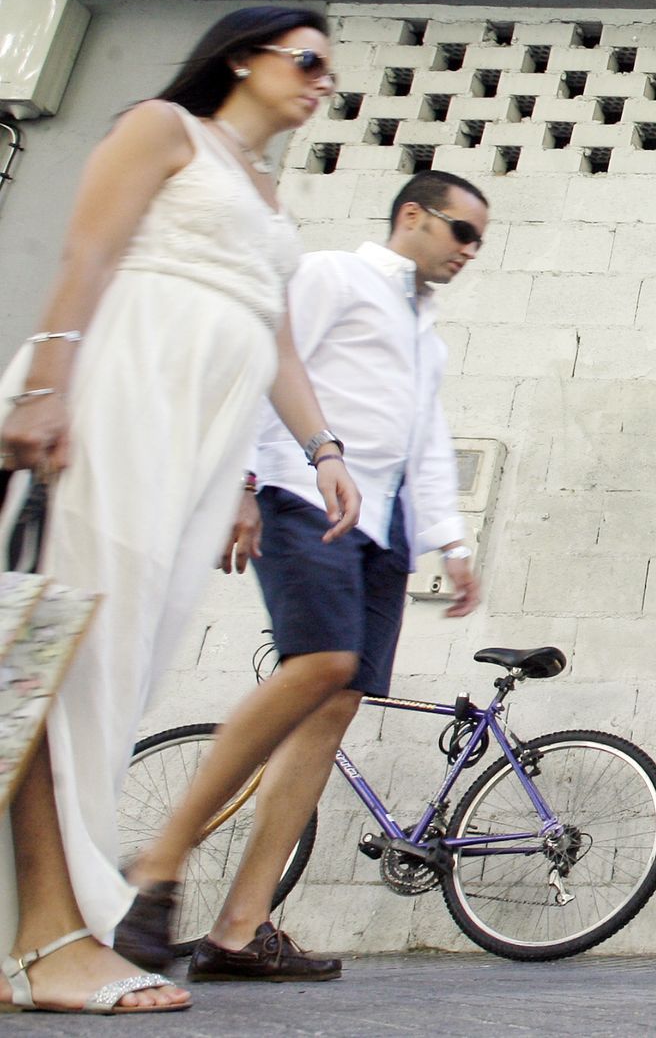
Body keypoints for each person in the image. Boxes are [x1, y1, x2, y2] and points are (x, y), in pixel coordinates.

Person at [0, 6, 359, 1014]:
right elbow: (85, 259)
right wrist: (46, 388)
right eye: (307, 61)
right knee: (59, 651)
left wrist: (320, 451)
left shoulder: (264, 188)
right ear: (242, 56)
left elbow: (277, 343)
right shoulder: (162, 129)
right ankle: (50, 938)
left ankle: (44, 934)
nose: (321, 81)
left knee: (121, 666)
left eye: (330, 72)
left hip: (201, 437)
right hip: (122, 391)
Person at [120, 171, 487, 981]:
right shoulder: (331, 275)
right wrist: (241, 484)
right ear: (413, 216)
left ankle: (239, 927)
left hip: (383, 523)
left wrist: (450, 541)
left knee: (337, 701)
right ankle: (158, 858)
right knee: (318, 665)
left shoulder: (428, 336)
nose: (470, 251)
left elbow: (427, 442)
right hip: (301, 490)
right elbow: (264, 367)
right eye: (462, 232)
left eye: (480, 242)